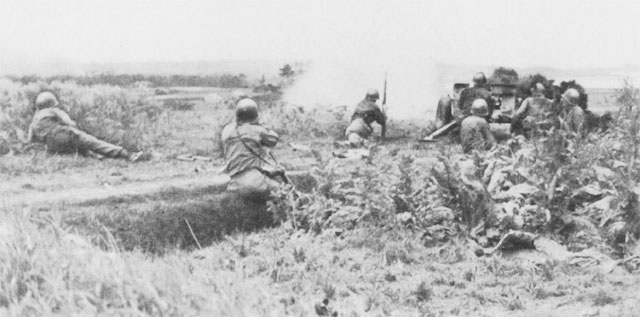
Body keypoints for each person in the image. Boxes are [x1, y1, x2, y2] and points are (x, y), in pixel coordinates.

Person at [27, 91, 143, 161]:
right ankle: (127, 155)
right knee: (92, 142)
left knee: (79, 145)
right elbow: (69, 123)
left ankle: (98, 157)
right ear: (52, 103)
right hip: (61, 133)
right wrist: (77, 130)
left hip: (51, 144)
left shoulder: (34, 119)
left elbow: (30, 139)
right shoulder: (53, 110)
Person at [221, 98, 286, 199]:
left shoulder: (227, 130)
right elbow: (274, 139)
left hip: (235, 183)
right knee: (285, 194)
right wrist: (261, 124)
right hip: (255, 182)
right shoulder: (257, 130)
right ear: (255, 115)